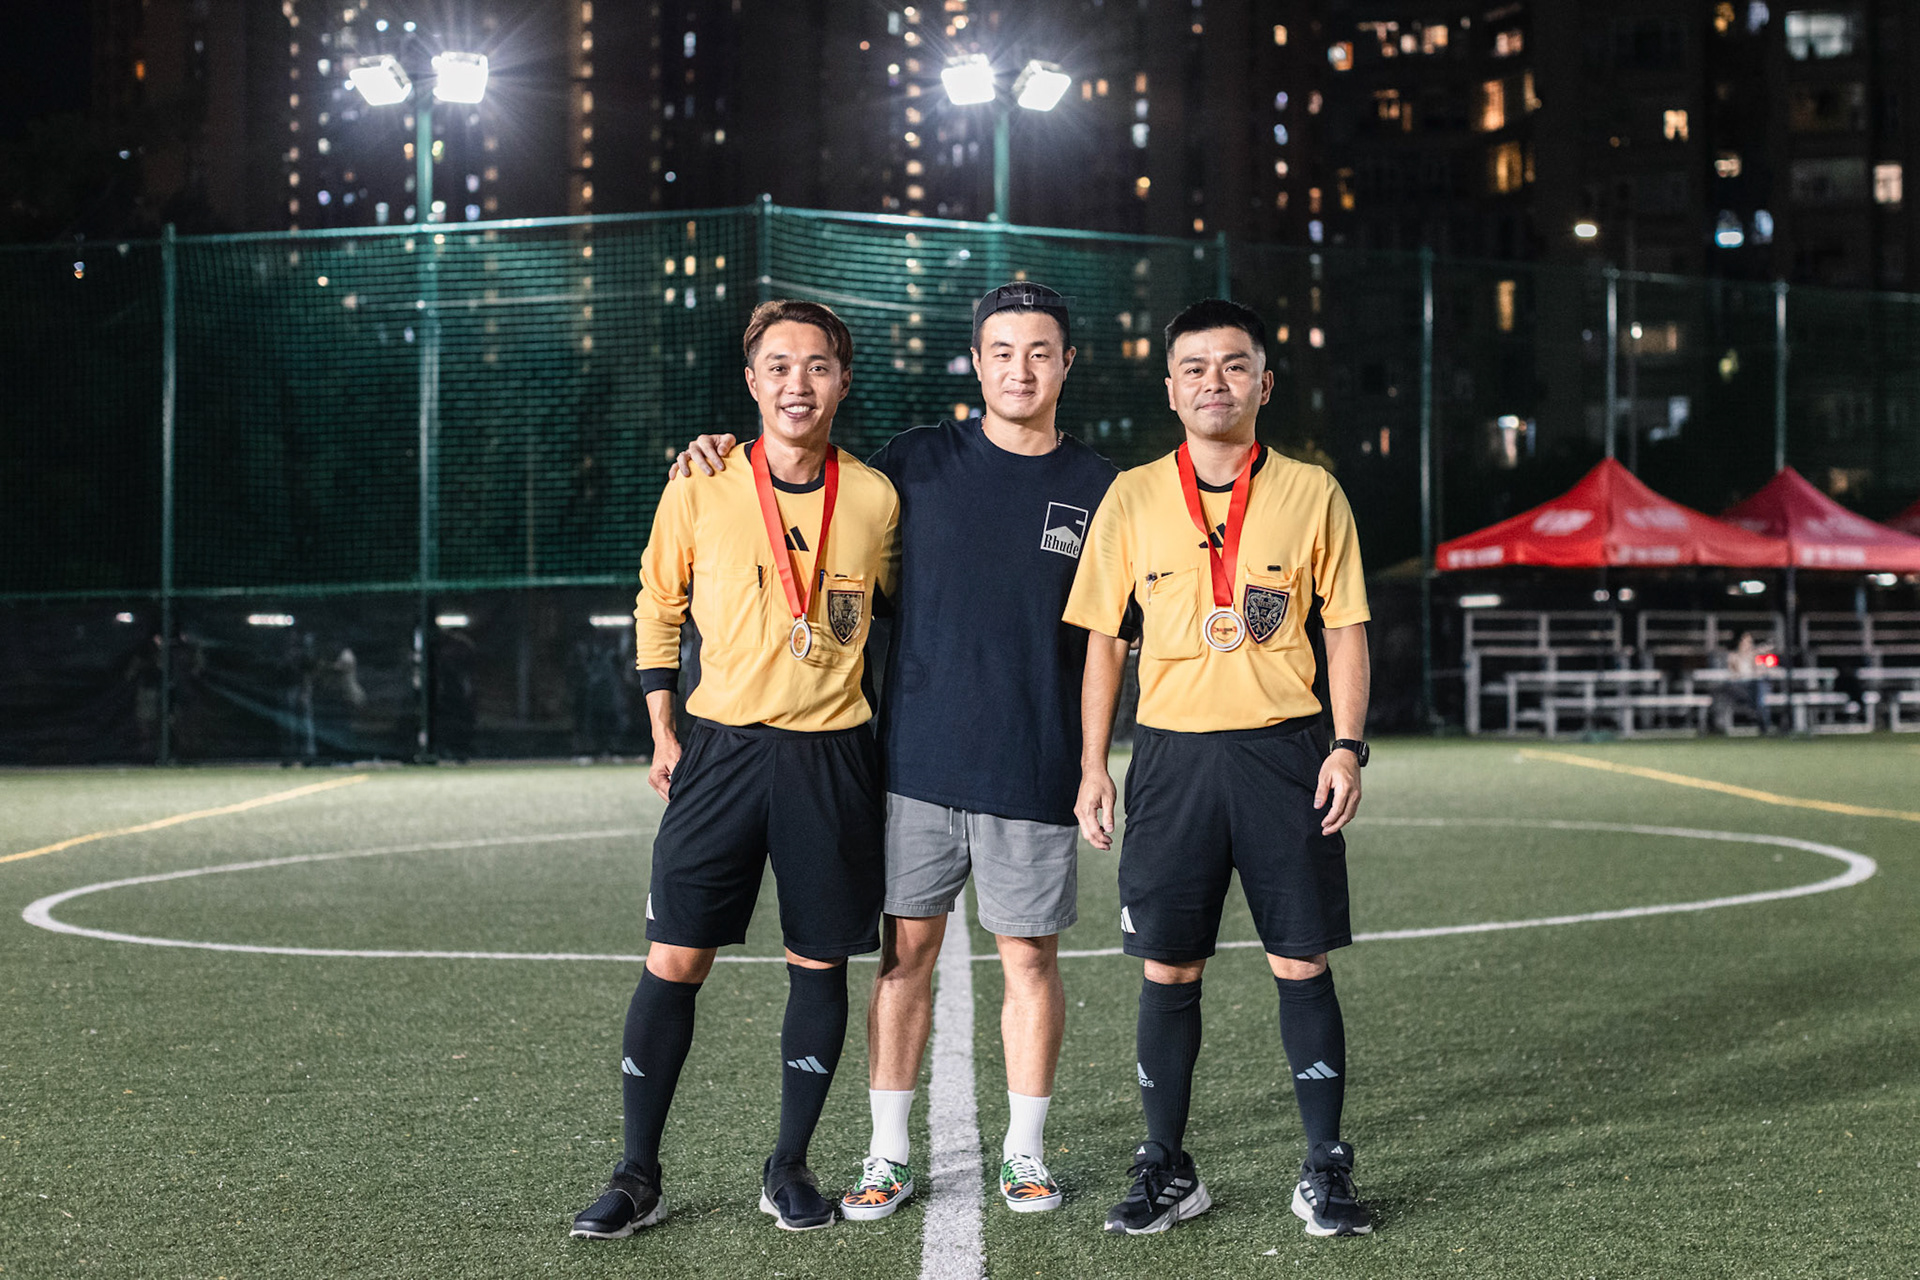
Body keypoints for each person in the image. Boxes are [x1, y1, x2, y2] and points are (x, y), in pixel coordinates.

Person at [671, 283, 1120, 1218]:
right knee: (903, 957)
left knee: (1030, 961)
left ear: (1068, 365)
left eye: (1040, 352)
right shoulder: (912, 464)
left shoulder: (1103, 488)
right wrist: (715, 450)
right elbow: (804, 480)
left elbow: (1109, 642)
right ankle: (885, 1154)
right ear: (977, 362)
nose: (1021, 370)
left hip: (1034, 764)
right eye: (1003, 351)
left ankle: (1025, 1154)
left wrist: (1091, 765)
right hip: (911, 765)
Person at [569, 300, 900, 1239]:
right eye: (779, 367)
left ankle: (789, 1166)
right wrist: (662, 727)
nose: (799, 383)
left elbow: (905, 608)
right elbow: (657, 604)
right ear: (752, 383)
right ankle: (636, 1176)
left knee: (818, 961)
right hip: (719, 749)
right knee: (675, 958)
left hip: (833, 754)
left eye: (818, 366)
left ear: (843, 380)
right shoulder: (702, 484)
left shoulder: (875, 498)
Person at [1066, 298, 1375, 1238]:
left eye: (1235, 366)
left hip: (1286, 752)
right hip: (1171, 758)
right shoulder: (1131, 496)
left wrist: (1347, 745)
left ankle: (1324, 1166)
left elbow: (1346, 628)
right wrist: (1094, 764)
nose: (1215, 383)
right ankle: (1166, 1166)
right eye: (1196, 368)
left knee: (1301, 958)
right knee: (1168, 967)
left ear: (1264, 384)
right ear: (1170, 389)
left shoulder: (1313, 492)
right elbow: (1104, 642)